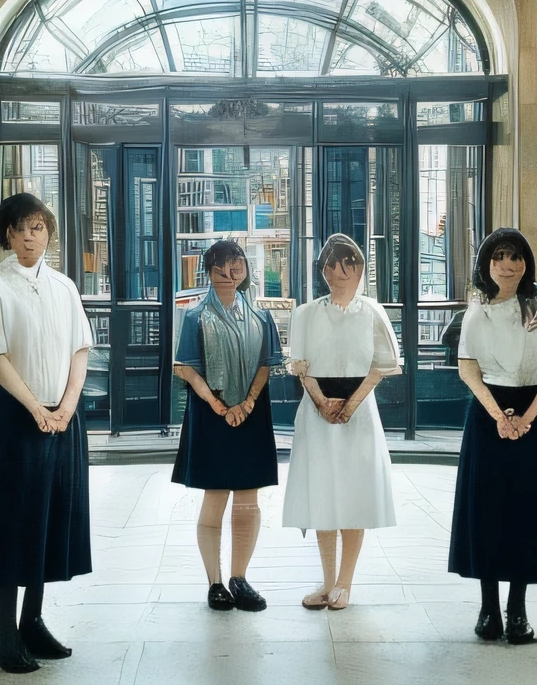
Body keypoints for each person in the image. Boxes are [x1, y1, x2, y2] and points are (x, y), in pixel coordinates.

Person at [0, 193, 95, 674]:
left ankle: (33, 621)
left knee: (51, 518)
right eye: (19, 228)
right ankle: (4, 632)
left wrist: (66, 408)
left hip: (62, 418)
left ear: (49, 232)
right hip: (17, 418)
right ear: (6, 234)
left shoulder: (63, 286)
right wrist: (36, 408)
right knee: (14, 520)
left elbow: (81, 349)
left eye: (37, 228)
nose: (28, 237)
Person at [448, 228, 537, 644]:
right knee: (486, 509)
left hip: (532, 411)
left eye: (516, 256)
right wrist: (498, 416)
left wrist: (525, 419)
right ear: (487, 264)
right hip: (489, 413)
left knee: (526, 510)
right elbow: (468, 367)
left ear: (526, 263)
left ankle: (517, 610)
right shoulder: (477, 312)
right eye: (500, 256)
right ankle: (488, 609)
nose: (509, 264)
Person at [283, 234, 401, 610]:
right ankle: (327, 578)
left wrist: (349, 406)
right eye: (329, 265)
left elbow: (381, 365)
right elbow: (300, 366)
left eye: (345, 264)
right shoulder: (305, 313)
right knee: (322, 492)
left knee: (354, 494)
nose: (336, 272)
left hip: (359, 411)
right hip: (316, 412)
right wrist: (321, 403)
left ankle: (345, 582)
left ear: (360, 268)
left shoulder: (372, 312)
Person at [171, 239, 285, 612]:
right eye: (221, 267)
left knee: (248, 503)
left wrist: (248, 402)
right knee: (214, 500)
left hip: (251, 413)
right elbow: (185, 367)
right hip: (212, 414)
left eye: (237, 266)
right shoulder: (194, 317)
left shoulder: (261, 317)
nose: (230, 273)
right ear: (209, 272)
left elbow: (268, 362)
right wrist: (220, 407)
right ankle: (215, 582)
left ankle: (240, 577)